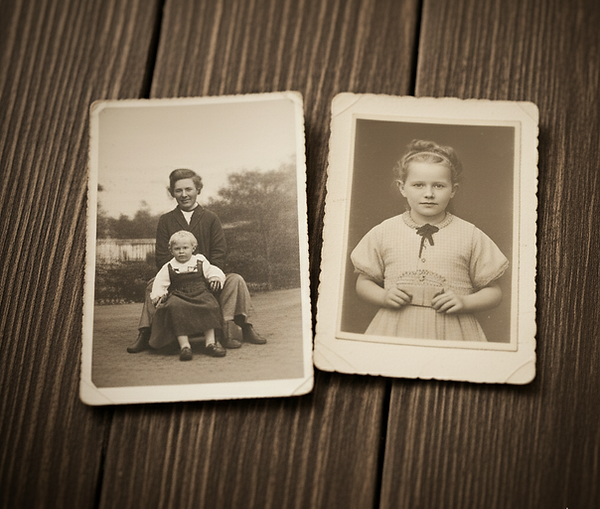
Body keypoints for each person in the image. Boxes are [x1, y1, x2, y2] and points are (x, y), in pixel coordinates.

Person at [351, 139, 509, 341]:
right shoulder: (383, 232)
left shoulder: (470, 234)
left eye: (439, 186)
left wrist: (464, 302)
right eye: (418, 185)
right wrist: (383, 296)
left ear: (453, 190)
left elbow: (494, 292)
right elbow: (363, 282)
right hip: (395, 328)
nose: (428, 194)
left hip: (453, 331)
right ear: (402, 187)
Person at [127, 169, 266, 353]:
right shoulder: (166, 220)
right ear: (172, 193)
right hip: (178, 281)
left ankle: (238, 327)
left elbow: (219, 253)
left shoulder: (210, 218)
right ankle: (146, 332)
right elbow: (161, 256)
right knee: (153, 284)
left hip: (207, 276)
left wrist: (209, 276)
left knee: (235, 280)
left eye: (189, 189)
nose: (184, 195)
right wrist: (181, 275)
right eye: (178, 191)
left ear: (198, 190)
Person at [150, 231, 226, 360]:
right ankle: (185, 346)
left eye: (185, 248)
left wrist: (215, 278)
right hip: (179, 295)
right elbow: (159, 282)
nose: (181, 252)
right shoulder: (169, 266)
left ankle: (210, 343)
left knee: (209, 304)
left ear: (193, 248)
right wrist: (158, 294)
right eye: (177, 249)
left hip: (200, 292)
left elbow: (213, 270)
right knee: (174, 307)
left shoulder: (200, 260)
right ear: (171, 250)